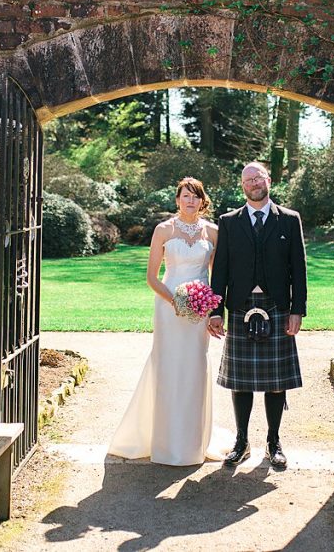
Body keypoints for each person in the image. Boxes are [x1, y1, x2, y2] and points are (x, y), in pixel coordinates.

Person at [108, 177, 227, 466]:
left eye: (195, 196)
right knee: (168, 367)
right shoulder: (163, 230)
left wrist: (211, 309)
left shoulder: (212, 232)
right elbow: (151, 277)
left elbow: (217, 276)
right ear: (177, 200)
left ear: (202, 201)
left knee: (195, 368)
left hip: (199, 311)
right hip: (169, 307)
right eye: (185, 196)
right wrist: (177, 301)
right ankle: (164, 441)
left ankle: (192, 442)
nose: (190, 201)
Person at [208, 162, 306, 470]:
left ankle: (273, 441)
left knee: (277, 382)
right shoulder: (228, 222)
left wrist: (297, 310)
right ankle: (241, 441)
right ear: (243, 186)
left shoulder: (289, 220)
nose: (253, 183)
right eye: (248, 180)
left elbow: (298, 269)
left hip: (277, 306)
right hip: (239, 306)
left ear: (269, 180)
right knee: (242, 381)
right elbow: (220, 269)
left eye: (258, 177)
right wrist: (215, 311)